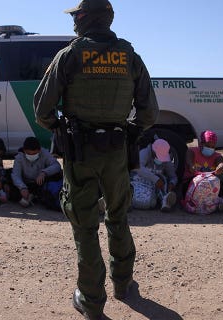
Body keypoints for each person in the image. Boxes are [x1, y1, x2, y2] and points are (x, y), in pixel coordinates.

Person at [33, 0, 159, 318]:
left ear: (88, 19)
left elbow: (42, 110)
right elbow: (150, 111)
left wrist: (60, 128)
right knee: (118, 215)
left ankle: (90, 301)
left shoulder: (70, 55)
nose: (74, 22)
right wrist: (130, 132)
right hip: (117, 150)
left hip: (81, 152)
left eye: (77, 16)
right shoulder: (130, 55)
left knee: (85, 225)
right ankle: (123, 282)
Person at [181, 130, 223, 213]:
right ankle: (214, 203)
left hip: (209, 186)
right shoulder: (192, 151)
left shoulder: (217, 156)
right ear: (201, 143)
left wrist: (221, 167)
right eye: (207, 145)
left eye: (212, 147)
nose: (210, 148)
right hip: (191, 184)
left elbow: (220, 163)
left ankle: (215, 203)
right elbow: (190, 163)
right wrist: (191, 166)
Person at [9, 137, 63, 208]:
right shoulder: (19, 157)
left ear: (39, 150)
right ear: (24, 150)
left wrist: (44, 172)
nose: (31, 156)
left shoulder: (44, 153)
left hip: (40, 182)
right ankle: (30, 197)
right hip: (26, 183)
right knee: (10, 182)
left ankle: (33, 196)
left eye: (34, 153)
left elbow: (56, 166)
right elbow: (16, 175)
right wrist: (22, 187)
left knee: (56, 175)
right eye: (28, 153)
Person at [131, 138, 178, 212]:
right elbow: (138, 168)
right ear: (153, 151)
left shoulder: (166, 160)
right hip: (141, 181)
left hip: (156, 185)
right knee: (146, 203)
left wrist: (172, 183)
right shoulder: (144, 153)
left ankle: (165, 202)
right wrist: (155, 179)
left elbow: (173, 176)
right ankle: (130, 198)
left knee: (163, 179)